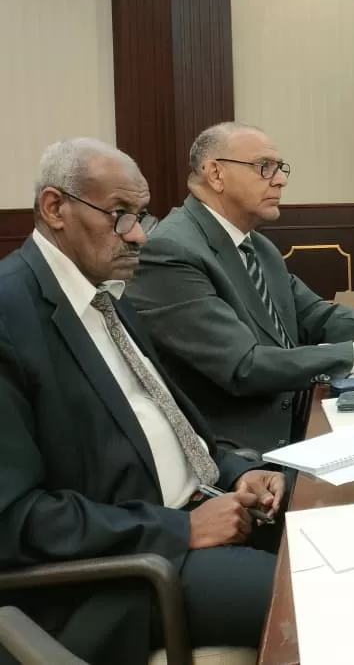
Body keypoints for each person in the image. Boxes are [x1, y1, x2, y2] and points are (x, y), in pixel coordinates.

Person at [0, 138, 284, 665]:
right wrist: (182, 529)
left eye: (141, 215)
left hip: (200, 512)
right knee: (313, 595)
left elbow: (169, 422)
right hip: (123, 572)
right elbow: (14, 519)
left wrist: (237, 471)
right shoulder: (9, 313)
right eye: (120, 215)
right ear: (55, 208)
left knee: (337, 533)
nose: (138, 235)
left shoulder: (105, 295)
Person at [125, 123, 354, 453]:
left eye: (280, 168)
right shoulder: (171, 251)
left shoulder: (256, 244)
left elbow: (310, 313)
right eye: (264, 167)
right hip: (242, 450)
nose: (281, 179)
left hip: (300, 410)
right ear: (216, 174)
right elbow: (243, 367)